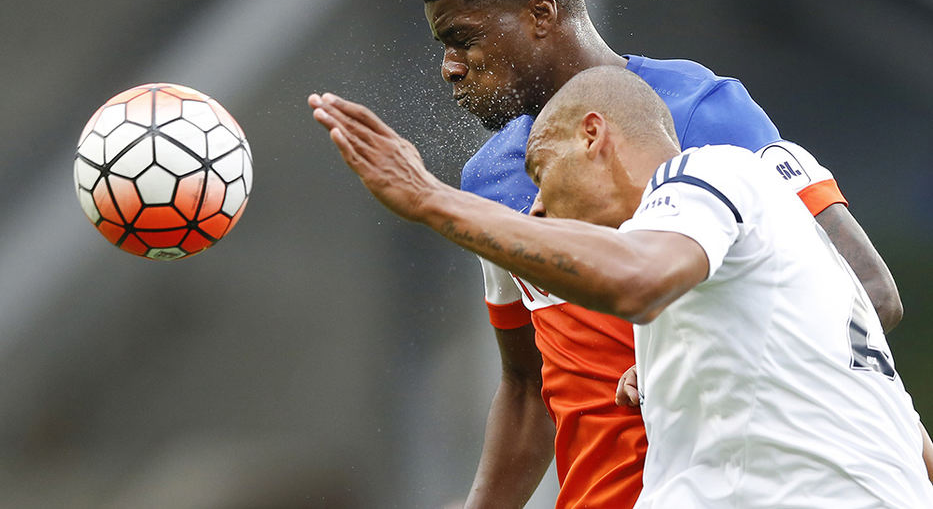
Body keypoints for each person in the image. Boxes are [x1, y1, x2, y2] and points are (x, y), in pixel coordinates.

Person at [398, 0, 902, 508]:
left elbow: (867, 294)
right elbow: (528, 388)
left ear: (540, 14)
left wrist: (689, 364)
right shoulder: (488, 184)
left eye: (463, 38)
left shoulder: (700, 113)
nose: (450, 66)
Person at [306, 69, 933, 506]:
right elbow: (914, 451)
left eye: (540, 172)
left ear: (593, 135)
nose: (538, 211)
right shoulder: (814, 285)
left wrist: (432, 199)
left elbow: (636, 278)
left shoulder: (708, 170)